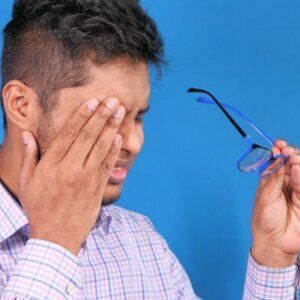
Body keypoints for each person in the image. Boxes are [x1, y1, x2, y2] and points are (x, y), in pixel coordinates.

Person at [0, 1, 299, 299]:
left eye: (138, 117)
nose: (133, 143)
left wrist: (274, 258)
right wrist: (55, 243)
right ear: (21, 105)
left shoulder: (141, 243)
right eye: (108, 116)